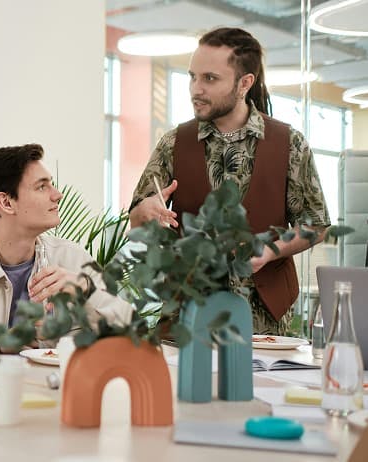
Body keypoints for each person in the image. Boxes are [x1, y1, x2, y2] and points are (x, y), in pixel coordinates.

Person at [128, 27, 330, 335]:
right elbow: (138, 217)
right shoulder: (173, 143)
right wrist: (146, 211)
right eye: (192, 77)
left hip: (265, 325)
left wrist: (269, 252)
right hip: (187, 317)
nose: (196, 89)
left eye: (210, 78)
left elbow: (315, 225)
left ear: (244, 84)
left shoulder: (290, 144)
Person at [0, 144, 134, 367]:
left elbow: (130, 332)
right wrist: (0, 347)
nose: (58, 195)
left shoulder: (73, 259)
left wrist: (86, 289)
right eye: (42, 187)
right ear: (6, 202)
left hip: (59, 394)